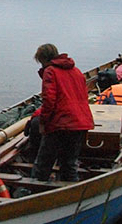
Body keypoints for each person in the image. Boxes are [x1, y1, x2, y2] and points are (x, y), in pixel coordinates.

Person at [31, 44, 94, 181]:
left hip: (60, 123)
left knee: (43, 163)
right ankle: (72, 192)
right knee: (69, 163)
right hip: (80, 123)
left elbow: (49, 101)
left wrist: (43, 123)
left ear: (43, 59)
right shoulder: (77, 71)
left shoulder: (50, 71)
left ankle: (35, 191)